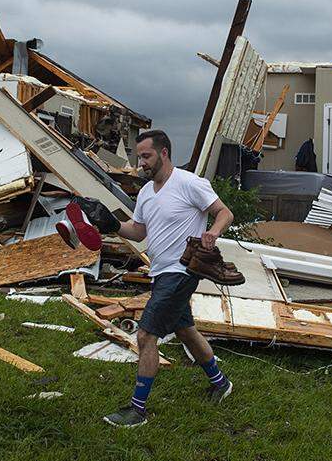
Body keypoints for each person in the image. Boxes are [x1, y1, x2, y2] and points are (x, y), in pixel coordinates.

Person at [89, 129, 236, 427]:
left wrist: (212, 232)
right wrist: (111, 223)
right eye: (139, 156)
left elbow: (224, 213)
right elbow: (139, 232)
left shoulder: (188, 183)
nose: (141, 162)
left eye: (146, 156)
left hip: (183, 270)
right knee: (185, 331)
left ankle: (137, 409)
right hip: (160, 272)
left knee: (145, 335)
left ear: (164, 153)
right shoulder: (145, 193)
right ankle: (220, 383)